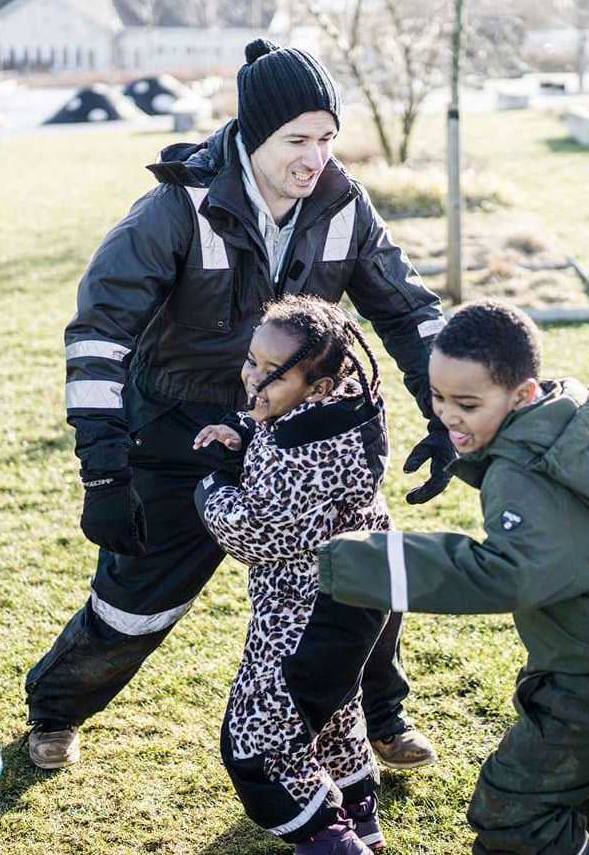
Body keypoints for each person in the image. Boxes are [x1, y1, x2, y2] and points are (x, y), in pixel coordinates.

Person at [27, 38, 452, 771]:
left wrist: (446, 414)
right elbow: (100, 334)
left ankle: (382, 718)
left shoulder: (344, 204)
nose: (315, 157)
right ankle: (56, 709)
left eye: (326, 138)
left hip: (300, 436)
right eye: (296, 139)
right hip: (180, 435)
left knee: (354, 576)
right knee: (137, 597)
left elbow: (409, 312)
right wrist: (103, 471)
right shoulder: (175, 207)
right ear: (254, 137)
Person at [316, 301, 589, 855]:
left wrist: (354, 561)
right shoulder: (587, 415)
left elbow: (510, 573)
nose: (447, 415)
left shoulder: (519, 478)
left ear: (522, 395)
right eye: (438, 399)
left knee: (513, 807)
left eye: (467, 404)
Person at [193, 297, 398, 854]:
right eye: (251, 361)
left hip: (305, 611)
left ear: (320, 385)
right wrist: (245, 432)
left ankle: (332, 841)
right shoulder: (348, 411)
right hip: (355, 604)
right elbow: (288, 450)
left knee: (258, 743)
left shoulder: (297, 451)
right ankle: (361, 820)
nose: (252, 378)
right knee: (327, 716)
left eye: (270, 372)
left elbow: (255, 532)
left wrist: (212, 486)